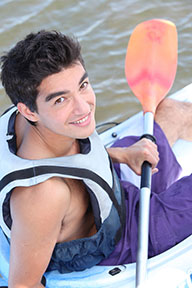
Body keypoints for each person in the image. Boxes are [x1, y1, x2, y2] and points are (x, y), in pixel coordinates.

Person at [0, 30, 192, 288]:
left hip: (113, 189)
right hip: (126, 239)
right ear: (28, 110)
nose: (84, 107)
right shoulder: (41, 197)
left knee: (172, 111)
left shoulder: (29, 118)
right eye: (60, 99)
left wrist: (121, 154)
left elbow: (73, 163)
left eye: (83, 85)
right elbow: (23, 285)